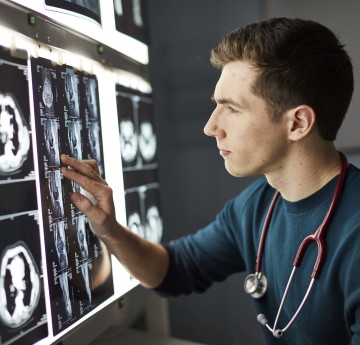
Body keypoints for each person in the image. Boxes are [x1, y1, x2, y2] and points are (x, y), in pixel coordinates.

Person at [60, 17, 360, 344]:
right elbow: (174, 270)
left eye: (231, 108)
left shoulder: (354, 235)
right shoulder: (259, 204)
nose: (210, 127)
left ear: (298, 123)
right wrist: (109, 229)